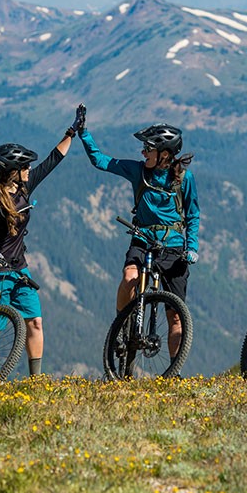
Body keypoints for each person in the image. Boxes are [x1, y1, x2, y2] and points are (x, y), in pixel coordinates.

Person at [0, 106, 81, 376]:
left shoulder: (26, 186)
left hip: (20, 269)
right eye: (24, 165)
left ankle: (36, 381)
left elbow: (53, 159)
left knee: (35, 322)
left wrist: (72, 130)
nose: (29, 168)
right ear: (12, 170)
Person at [76, 109, 200, 359]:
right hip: (143, 238)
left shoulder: (185, 179)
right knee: (129, 275)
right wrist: (83, 133)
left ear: (164, 154)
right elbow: (101, 161)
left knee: (175, 315)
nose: (143, 153)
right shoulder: (138, 171)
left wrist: (192, 247)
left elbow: (193, 214)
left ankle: (173, 373)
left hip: (174, 246)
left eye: (148, 148)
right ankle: (122, 326)